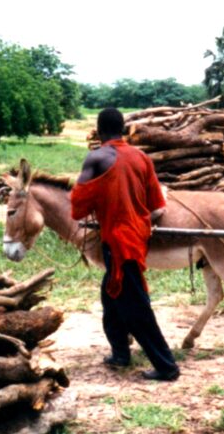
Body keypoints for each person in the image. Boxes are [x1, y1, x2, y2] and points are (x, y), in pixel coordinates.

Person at [70, 108, 180, 381]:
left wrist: (103, 200)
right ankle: (120, 353)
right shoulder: (141, 157)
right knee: (110, 296)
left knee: (136, 308)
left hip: (119, 242)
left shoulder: (96, 158)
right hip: (137, 238)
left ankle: (167, 367)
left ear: (98, 130)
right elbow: (156, 205)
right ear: (124, 129)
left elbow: (76, 208)